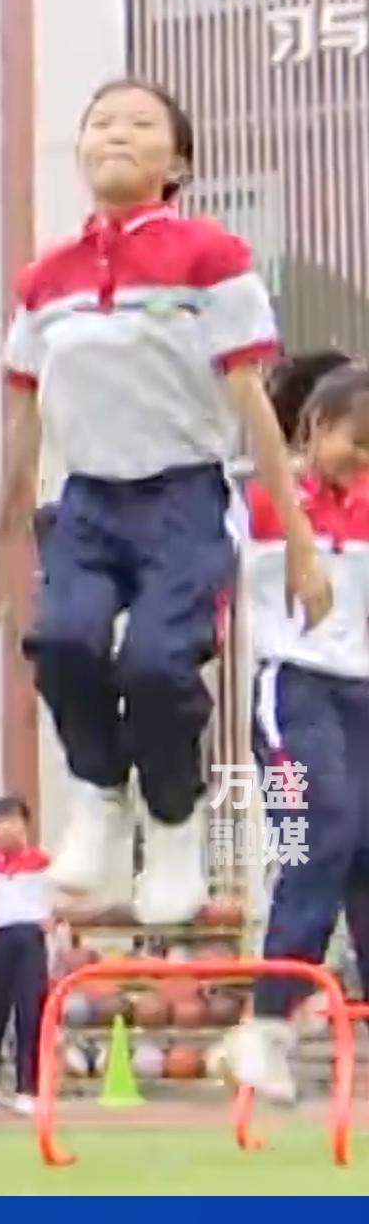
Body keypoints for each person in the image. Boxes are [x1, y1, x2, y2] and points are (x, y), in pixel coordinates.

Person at [0, 78, 331, 929]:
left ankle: (173, 822)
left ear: (179, 162)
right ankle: (100, 800)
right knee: (62, 641)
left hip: (183, 495)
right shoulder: (45, 281)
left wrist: (300, 541)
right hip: (88, 501)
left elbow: (252, 404)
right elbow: (24, 424)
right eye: (100, 122)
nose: (116, 134)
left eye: (140, 124)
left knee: (156, 666)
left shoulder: (211, 256)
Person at [222, 362, 369, 1100]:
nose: (363, 460)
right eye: (355, 442)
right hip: (292, 690)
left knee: (359, 852)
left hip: (361, 695)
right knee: (321, 826)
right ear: (314, 427)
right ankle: (268, 1019)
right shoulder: (259, 502)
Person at [0, 795, 52, 1118]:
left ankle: (27, 1088)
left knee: (29, 1014)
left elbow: (58, 901)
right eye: (1, 822)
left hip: (30, 939)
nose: (8, 828)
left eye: (15, 821)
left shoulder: (43, 862)